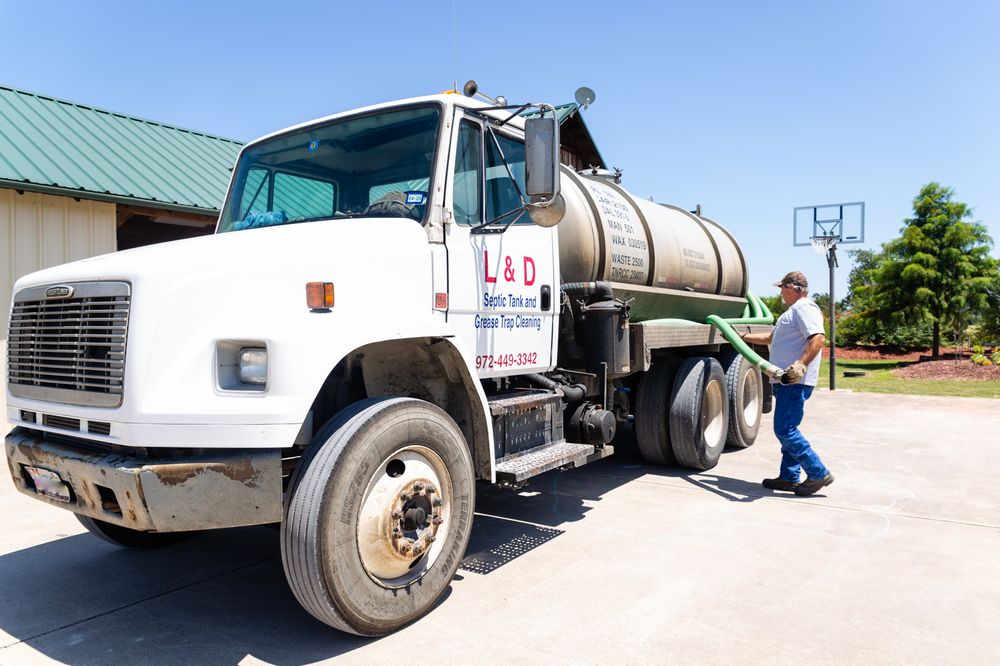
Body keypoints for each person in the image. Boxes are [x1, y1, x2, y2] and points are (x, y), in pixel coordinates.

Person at [741, 271, 834, 496]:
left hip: (794, 381)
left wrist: (800, 366)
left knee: (785, 429)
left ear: (792, 287)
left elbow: (818, 338)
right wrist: (740, 337)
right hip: (785, 381)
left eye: (782, 288)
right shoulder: (792, 312)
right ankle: (789, 477)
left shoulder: (805, 308)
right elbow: (771, 338)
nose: (780, 292)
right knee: (788, 428)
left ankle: (817, 472)